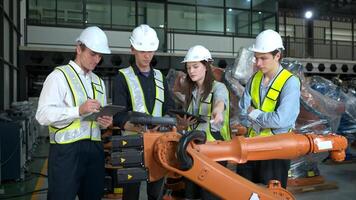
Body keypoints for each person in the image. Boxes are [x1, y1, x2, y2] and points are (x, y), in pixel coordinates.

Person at [36, 26, 113, 199]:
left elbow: (97, 120)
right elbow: (42, 115)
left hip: (95, 151)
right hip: (66, 153)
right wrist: (78, 110)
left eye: (100, 56)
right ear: (79, 48)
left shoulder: (99, 82)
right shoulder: (58, 77)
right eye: (93, 54)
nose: (97, 60)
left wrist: (104, 122)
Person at [112, 24, 175, 200]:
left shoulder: (160, 77)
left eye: (150, 51)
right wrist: (140, 129)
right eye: (142, 51)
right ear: (132, 49)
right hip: (132, 143)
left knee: (156, 193)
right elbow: (118, 116)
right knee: (130, 193)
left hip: (158, 143)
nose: (147, 56)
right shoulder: (122, 77)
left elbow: (168, 108)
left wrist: (170, 122)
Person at [236, 29, 301, 188]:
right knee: (244, 192)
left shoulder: (290, 82)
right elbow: (242, 113)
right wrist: (262, 119)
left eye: (263, 58)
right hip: (251, 147)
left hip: (276, 151)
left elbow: (281, 120)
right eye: (256, 58)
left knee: (271, 194)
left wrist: (255, 113)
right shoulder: (254, 79)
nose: (258, 64)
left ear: (277, 55)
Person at [178, 45, 231, 200]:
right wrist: (184, 124)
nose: (191, 71)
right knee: (191, 193)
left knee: (209, 195)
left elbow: (220, 102)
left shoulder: (218, 88)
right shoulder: (190, 92)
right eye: (188, 68)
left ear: (206, 67)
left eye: (195, 66)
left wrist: (218, 111)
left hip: (216, 151)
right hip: (194, 150)